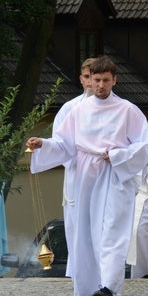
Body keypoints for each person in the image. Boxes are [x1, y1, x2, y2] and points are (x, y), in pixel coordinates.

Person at [26, 56, 148, 296]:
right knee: (86, 233)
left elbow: (143, 148)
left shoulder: (128, 110)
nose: (101, 85)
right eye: (96, 80)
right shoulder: (78, 110)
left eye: (106, 80)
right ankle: (92, 288)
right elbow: (64, 145)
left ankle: (108, 288)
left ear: (114, 80)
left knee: (112, 231)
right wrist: (44, 144)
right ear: (89, 81)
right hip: (85, 175)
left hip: (114, 174)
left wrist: (117, 155)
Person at [52, 57, 94, 279]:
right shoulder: (70, 108)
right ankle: (80, 276)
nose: (90, 82)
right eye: (86, 77)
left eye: (94, 77)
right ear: (81, 79)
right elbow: (59, 143)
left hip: (101, 177)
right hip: (77, 175)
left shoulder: (118, 108)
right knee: (76, 227)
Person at [128, 105, 148, 278]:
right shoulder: (142, 139)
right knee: (138, 232)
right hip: (145, 193)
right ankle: (142, 275)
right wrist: (143, 159)